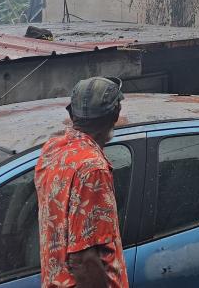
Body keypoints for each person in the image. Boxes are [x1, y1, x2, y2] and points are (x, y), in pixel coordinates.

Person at [36, 76, 128, 288]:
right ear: (115, 115)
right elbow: (84, 260)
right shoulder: (93, 169)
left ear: (71, 114)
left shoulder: (53, 149)